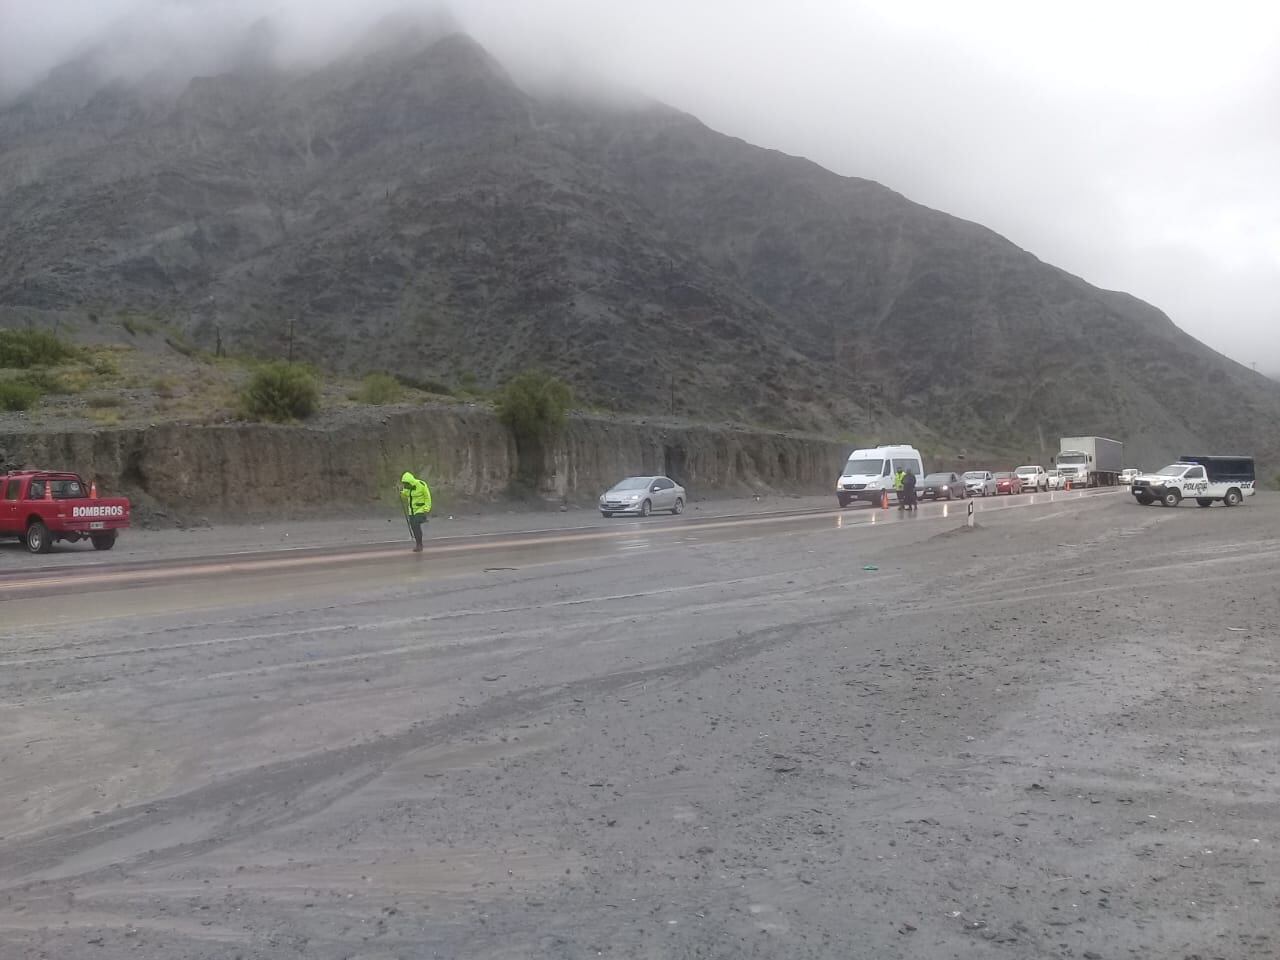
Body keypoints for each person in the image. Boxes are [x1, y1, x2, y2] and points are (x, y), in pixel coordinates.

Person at [399, 471, 433, 552]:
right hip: (411, 510)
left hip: (421, 508)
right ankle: (418, 543)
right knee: (414, 527)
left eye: (406, 484)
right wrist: (400, 493)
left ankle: (419, 545)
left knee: (416, 523)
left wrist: (427, 508)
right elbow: (405, 495)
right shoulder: (407, 487)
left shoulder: (421, 484)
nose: (405, 486)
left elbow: (427, 497)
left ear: (410, 481)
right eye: (404, 484)